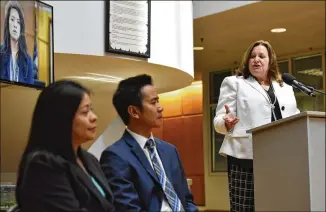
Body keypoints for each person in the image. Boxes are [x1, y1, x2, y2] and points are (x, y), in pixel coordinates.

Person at [213, 40, 300, 212]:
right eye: (252, 56)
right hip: (245, 157)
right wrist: (226, 122)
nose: (256, 60)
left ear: (270, 61)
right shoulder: (235, 83)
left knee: (277, 205)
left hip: (280, 158)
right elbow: (218, 120)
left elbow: (295, 117)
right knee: (245, 208)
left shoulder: (284, 87)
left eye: (261, 56)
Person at [100, 74, 198, 212]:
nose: (160, 107)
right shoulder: (115, 156)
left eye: (158, 101)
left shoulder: (170, 150)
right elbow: (129, 208)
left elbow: (187, 199)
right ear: (134, 111)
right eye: (153, 102)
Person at [15, 80, 115, 212]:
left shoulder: (88, 158)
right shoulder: (43, 165)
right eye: (85, 112)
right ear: (62, 118)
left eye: (91, 110)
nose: (94, 117)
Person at [0, 0, 33, 84]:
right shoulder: (1, 53)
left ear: (21, 27)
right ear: (7, 23)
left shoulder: (28, 60)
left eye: (18, 22)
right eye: (12, 19)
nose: (15, 25)